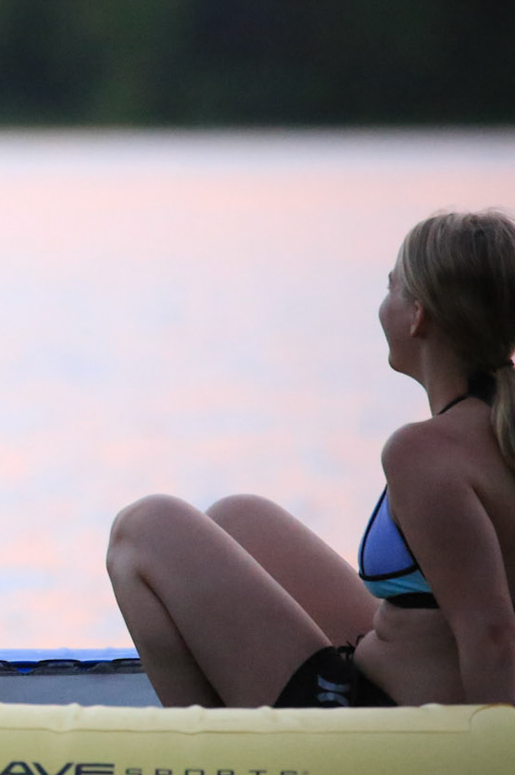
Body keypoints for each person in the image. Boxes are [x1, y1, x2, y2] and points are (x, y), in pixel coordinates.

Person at [106, 210, 515, 708]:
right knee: (239, 518)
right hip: (390, 671)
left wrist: (495, 752)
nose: (382, 304)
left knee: (142, 531)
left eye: (391, 287)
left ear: (417, 316)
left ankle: (213, 750)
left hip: (382, 721)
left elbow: (492, 635)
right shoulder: (493, 429)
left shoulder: (424, 453)